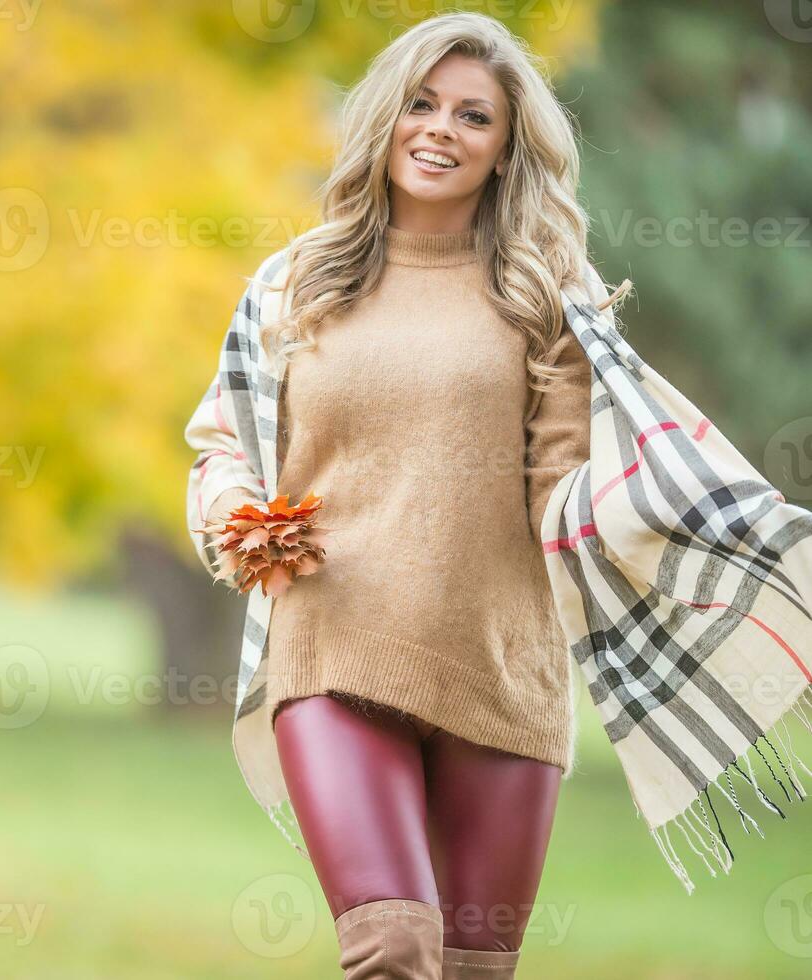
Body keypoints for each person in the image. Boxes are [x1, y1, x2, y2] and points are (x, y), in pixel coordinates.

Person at [191, 12, 614, 978]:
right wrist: (235, 516)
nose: (439, 129)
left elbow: (564, 481)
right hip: (334, 648)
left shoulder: (548, 293)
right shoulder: (296, 283)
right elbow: (224, 440)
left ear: (507, 149)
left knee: (473, 969)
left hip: (501, 667)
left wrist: (632, 523)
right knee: (392, 950)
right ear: (385, 117)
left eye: (474, 116)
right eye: (420, 104)